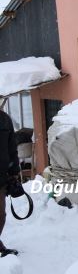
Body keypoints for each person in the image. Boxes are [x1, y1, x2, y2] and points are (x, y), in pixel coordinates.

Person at [0, 108, 20, 257]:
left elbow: (12, 148)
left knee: (1, 214)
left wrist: (14, 172)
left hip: (1, 177)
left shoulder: (5, 120)